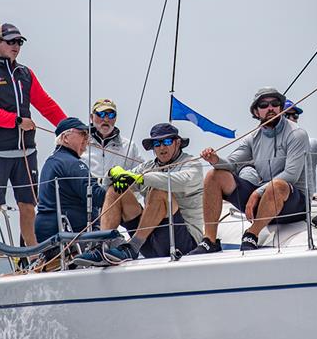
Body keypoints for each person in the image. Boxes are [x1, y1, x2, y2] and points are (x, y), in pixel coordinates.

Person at [0, 23, 67, 250]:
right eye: (10, 41)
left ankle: (31, 256)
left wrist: (68, 127)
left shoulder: (25, 74)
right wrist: (17, 121)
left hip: (25, 151)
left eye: (19, 42)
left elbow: (46, 104)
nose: (16, 46)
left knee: (28, 205)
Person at [189, 87, 309, 254]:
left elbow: (291, 175)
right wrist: (215, 160)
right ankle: (209, 240)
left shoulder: (297, 134)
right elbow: (231, 165)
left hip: (294, 204)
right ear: (256, 111)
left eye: (275, 104)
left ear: (281, 108)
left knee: (278, 185)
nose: (270, 108)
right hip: (266, 199)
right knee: (213, 176)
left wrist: (257, 193)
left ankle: (252, 233)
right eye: (264, 105)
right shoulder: (253, 138)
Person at [74, 123, 203, 264]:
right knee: (116, 188)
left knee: (159, 191)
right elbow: (107, 184)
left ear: (177, 143)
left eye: (167, 141)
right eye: (157, 143)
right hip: (149, 242)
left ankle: (132, 246)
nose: (162, 147)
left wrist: (141, 178)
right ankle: (102, 246)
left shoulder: (192, 163)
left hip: (184, 243)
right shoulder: (148, 167)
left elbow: (182, 182)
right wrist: (112, 173)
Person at [34, 117, 107, 244]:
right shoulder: (71, 163)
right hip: (71, 238)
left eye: (88, 135)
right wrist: (115, 189)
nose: (87, 139)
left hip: (49, 236)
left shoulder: (52, 162)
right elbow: (97, 197)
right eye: (82, 134)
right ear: (65, 138)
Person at [80, 98, 144, 233]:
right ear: (92, 117)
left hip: (119, 206)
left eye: (111, 115)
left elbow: (141, 175)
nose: (106, 119)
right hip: (86, 206)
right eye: (101, 114)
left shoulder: (129, 146)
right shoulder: (81, 144)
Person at [281, 99, 317, 195]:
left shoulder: (312, 145)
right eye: (286, 116)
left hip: (306, 205)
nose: (291, 119)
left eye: (295, 115)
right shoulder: (266, 148)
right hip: (276, 202)